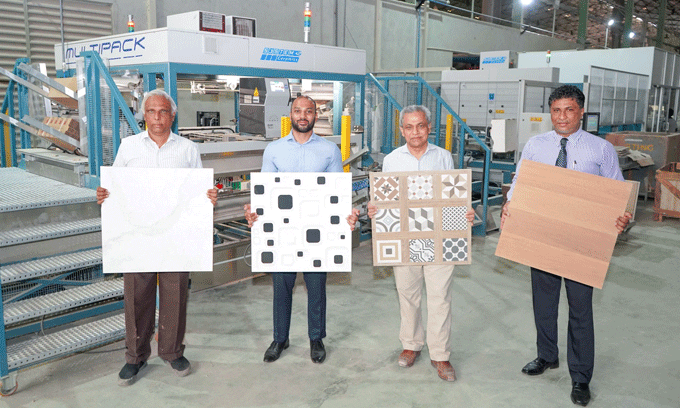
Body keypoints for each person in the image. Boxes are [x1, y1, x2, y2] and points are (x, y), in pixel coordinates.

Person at [501, 85, 631, 406]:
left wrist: (623, 217)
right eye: (556, 110)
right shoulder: (536, 145)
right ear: (550, 112)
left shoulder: (601, 149)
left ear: (581, 112)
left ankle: (581, 377)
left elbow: (618, 193)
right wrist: (510, 202)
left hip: (582, 241)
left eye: (569, 110)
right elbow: (521, 181)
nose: (562, 117)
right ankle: (547, 355)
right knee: (543, 303)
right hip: (543, 234)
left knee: (580, 310)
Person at [96, 89, 218, 386]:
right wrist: (104, 194)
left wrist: (209, 196)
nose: (157, 117)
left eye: (163, 111)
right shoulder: (128, 147)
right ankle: (135, 356)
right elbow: (116, 186)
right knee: (136, 297)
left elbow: (199, 188)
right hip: (137, 235)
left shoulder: (187, 149)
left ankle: (172, 351)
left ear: (172, 116)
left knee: (175, 294)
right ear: (144, 115)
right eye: (151, 111)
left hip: (175, 235)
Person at [244, 95, 360, 364]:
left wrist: (348, 215)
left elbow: (337, 191)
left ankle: (316, 338)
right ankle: (279, 338)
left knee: (316, 287)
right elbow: (265, 191)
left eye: (308, 111)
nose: (303, 116)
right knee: (281, 287)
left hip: (317, 231)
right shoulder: (274, 150)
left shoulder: (329, 151)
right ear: (291, 115)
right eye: (298, 111)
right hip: (283, 231)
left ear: (315, 116)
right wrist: (254, 211)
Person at [367, 105, 474, 382]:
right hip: (404, 237)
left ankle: (440, 355)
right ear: (402, 130)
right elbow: (383, 199)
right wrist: (375, 208)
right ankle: (411, 344)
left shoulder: (443, 157)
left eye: (421, 126)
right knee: (408, 294)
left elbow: (453, 196)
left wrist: (465, 211)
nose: (415, 132)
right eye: (409, 127)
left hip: (439, 237)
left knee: (440, 297)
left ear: (429, 127)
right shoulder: (392, 160)